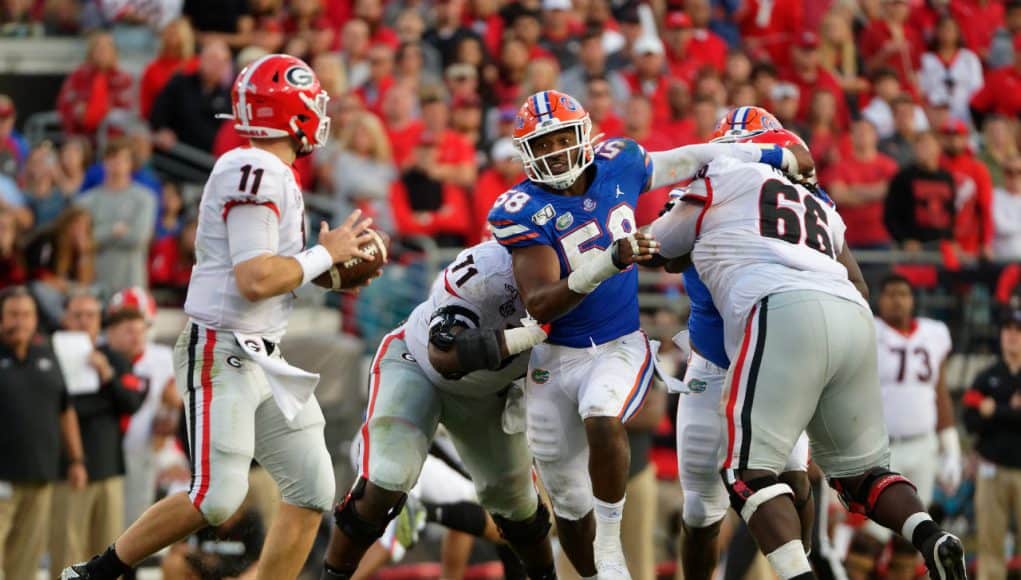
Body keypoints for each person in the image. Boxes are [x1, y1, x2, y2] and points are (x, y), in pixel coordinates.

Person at [61, 53, 376, 580]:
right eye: (312, 102)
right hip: (222, 349)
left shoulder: (272, 171)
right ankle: (95, 573)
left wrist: (328, 265)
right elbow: (254, 279)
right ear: (291, 110)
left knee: (313, 487)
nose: (320, 112)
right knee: (215, 496)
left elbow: (272, 270)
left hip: (263, 355)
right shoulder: (253, 169)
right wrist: (325, 255)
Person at [487, 94, 806, 579]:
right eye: (542, 143)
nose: (554, 152)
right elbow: (541, 303)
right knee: (569, 507)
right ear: (526, 150)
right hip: (554, 353)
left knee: (601, 413)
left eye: (560, 138)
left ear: (582, 135)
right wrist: (608, 261)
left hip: (617, 343)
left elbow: (698, 156)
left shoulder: (623, 161)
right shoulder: (521, 208)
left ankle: (611, 545)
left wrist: (775, 156)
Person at [650, 124, 966, 580]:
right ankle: (929, 534)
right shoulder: (817, 200)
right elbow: (857, 283)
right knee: (856, 477)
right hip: (838, 323)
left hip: (769, 334)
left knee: (750, 477)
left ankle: (799, 573)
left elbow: (659, 251)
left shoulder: (718, 183)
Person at [319, 240, 556, 579]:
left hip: (489, 398)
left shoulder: (579, 295)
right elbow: (444, 356)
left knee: (521, 510)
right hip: (419, 366)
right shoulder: (485, 272)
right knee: (386, 478)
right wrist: (525, 337)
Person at [845, 274, 961, 580]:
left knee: (912, 539)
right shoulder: (868, 330)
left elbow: (940, 393)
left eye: (904, 293)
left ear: (913, 299)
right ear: (880, 299)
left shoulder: (934, 334)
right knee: (870, 536)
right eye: (891, 293)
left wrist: (952, 449)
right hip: (882, 446)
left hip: (924, 445)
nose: (898, 300)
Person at [50, 290, 145, 574]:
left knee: (109, 554)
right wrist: (100, 401)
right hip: (66, 469)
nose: (84, 321)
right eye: (77, 315)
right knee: (67, 550)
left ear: (98, 321)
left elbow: (131, 403)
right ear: (65, 319)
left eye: (90, 315)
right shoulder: (50, 357)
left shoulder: (113, 359)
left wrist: (107, 376)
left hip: (109, 468)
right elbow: (59, 408)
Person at [0, 286, 87, 580]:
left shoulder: (48, 356)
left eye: (26, 315)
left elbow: (66, 410)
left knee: (25, 560)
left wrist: (76, 460)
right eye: (13, 315)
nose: (19, 322)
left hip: (40, 475)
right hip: (1, 477)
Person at [104, 288, 183, 526]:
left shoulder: (161, 357)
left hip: (143, 445)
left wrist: (170, 409)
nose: (135, 335)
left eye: (139, 326)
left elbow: (173, 406)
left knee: (137, 515)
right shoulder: (100, 355)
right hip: (105, 450)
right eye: (126, 326)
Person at [962, 306, 1021, 580]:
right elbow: (970, 420)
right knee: (989, 544)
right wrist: (1010, 410)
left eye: (1018, 330)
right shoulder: (986, 376)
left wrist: (994, 410)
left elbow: (984, 413)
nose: (1012, 335)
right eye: (1008, 329)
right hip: (992, 468)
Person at [75, 138, 156, 296]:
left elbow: (138, 238)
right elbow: (82, 241)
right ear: (104, 162)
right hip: (95, 282)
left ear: (131, 163)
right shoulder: (86, 200)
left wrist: (97, 235)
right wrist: (114, 230)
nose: (117, 164)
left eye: (122, 159)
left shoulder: (145, 198)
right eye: (112, 158)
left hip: (132, 282)